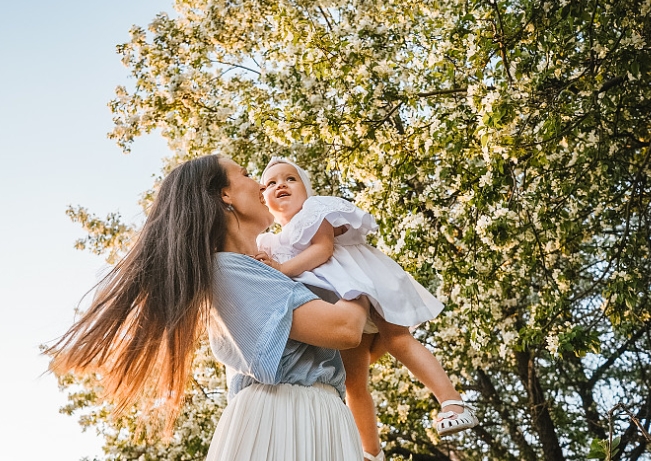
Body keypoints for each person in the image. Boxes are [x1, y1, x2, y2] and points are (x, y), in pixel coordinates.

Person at [45, 154, 373, 461]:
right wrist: (356, 269)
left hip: (310, 414)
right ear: (224, 196)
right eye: (245, 174)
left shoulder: (250, 271)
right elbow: (343, 330)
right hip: (286, 418)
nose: (262, 185)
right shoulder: (229, 270)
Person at [256, 157, 479, 461]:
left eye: (289, 179)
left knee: (397, 339)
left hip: (364, 279)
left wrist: (282, 269)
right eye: (270, 183)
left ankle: (453, 402)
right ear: (264, 200)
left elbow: (323, 249)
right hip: (341, 304)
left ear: (305, 189)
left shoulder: (314, 211)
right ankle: (371, 452)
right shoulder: (271, 242)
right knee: (352, 380)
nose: (280, 184)